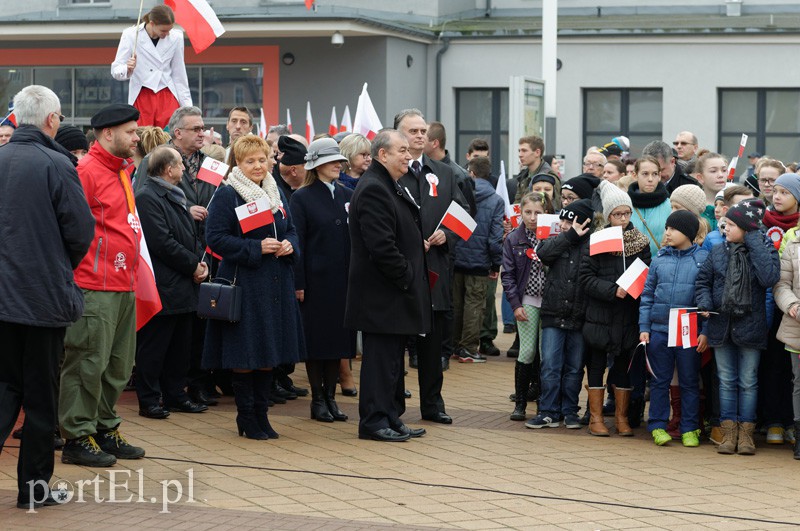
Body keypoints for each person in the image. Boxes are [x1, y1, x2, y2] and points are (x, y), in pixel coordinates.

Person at [0, 85, 93, 510]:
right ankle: (33, 490)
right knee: (40, 398)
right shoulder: (57, 163)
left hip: (6, 301)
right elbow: (80, 233)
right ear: (52, 120)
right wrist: (55, 266)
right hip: (40, 301)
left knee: (4, 389)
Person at [59, 103, 145, 467]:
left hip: (123, 283)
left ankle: (104, 426)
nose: (136, 137)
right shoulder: (87, 171)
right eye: (130, 131)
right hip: (94, 286)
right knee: (86, 363)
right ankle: (78, 435)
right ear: (108, 133)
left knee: (118, 365)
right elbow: (69, 228)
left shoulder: (121, 170)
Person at [203, 135, 305, 440]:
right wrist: (254, 248)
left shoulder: (275, 192)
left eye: (262, 159)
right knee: (246, 355)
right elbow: (215, 238)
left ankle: (262, 415)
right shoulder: (228, 194)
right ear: (238, 163)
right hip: (246, 284)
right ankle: (246, 417)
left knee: (268, 354)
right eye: (250, 161)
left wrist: (290, 245)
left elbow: (293, 230)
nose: (258, 166)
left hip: (276, 286)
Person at [345, 129, 431, 442]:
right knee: (380, 363)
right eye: (402, 150)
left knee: (393, 362)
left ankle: (391, 416)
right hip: (382, 295)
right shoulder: (373, 188)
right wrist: (407, 275)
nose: (409, 155)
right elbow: (381, 246)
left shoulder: (388, 184)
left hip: (393, 293)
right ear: (383, 155)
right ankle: (373, 421)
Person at [396, 109, 465, 425]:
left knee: (432, 344)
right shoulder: (391, 172)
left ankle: (433, 405)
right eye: (413, 131)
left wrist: (446, 235)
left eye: (423, 131)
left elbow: (464, 218)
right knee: (396, 342)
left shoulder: (445, 172)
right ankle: (394, 403)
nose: (420, 136)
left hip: (436, 270)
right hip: (400, 270)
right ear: (399, 135)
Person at [696, 199, 780, 455]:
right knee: (726, 380)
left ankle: (746, 434)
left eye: (732, 224)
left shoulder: (763, 250)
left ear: (746, 228)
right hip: (721, 323)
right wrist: (706, 303)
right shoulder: (718, 251)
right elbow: (703, 282)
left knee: (748, 381)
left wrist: (754, 240)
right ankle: (728, 433)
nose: (725, 228)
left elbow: (769, 278)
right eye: (725, 223)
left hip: (750, 326)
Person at [134, 146, 209, 419]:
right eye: (180, 164)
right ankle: (150, 399)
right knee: (154, 348)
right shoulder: (147, 197)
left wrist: (201, 263)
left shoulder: (175, 196)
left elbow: (190, 235)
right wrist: (192, 265)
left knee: (180, 348)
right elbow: (162, 242)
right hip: (164, 286)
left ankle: (176, 394)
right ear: (168, 169)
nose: (185, 169)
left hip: (183, 286)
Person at [289, 137, 355, 423]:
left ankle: (331, 397)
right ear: (317, 165)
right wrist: (299, 283)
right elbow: (298, 242)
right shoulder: (301, 197)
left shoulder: (345, 194)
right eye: (332, 161)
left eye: (339, 161)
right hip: (316, 283)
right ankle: (318, 399)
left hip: (343, 282)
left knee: (339, 342)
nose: (338, 166)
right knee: (318, 343)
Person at [580, 180, 651, 437]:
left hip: (627, 315)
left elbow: (646, 273)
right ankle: (596, 418)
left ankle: (621, 418)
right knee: (597, 365)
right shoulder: (598, 241)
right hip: (601, 314)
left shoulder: (640, 242)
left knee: (622, 367)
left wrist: (632, 288)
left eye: (626, 213)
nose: (622, 218)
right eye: (617, 214)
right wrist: (612, 290)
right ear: (608, 216)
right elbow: (586, 278)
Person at [639, 211, 709, 447]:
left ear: (687, 233)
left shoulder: (702, 259)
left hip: (688, 329)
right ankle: (658, 425)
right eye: (666, 227)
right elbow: (647, 295)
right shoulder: (659, 258)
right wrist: (644, 327)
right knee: (659, 380)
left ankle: (690, 428)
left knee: (689, 380)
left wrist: (705, 330)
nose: (667, 233)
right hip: (659, 329)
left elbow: (707, 299)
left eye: (673, 228)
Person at [526, 199, 594, 429]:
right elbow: (543, 253)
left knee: (574, 368)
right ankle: (548, 411)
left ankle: (569, 411)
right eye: (562, 219)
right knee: (550, 365)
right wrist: (570, 236)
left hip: (579, 316)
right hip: (553, 314)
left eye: (569, 220)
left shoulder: (594, 244)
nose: (563, 224)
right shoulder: (558, 240)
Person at [503, 192, 554, 422]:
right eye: (528, 212)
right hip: (528, 300)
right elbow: (508, 276)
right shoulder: (514, 239)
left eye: (538, 213)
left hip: (551, 302)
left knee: (547, 354)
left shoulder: (553, 236)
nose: (533, 218)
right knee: (527, 350)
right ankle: (521, 402)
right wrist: (515, 305)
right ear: (520, 212)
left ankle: (545, 401)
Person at [451, 156, 503, 366]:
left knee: (456, 304)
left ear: (470, 172)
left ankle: (455, 345)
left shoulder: (459, 193)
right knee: (475, 306)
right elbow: (495, 238)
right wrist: (495, 263)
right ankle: (469, 348)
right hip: (480, 262)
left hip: (456, 259)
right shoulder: (496, 200)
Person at [110, 5, 192, 128]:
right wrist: (127, 68)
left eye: (169, 30)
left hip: (167, 94)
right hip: (142, 94)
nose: (167, 34)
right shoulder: (131, 35)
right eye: (163, 31)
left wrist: (188, 109)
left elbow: (179, 74)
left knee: (170, 136)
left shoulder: (177, 37)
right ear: (152, 23)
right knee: (143, 138)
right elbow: (116, 70)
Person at [773, 223, 800, 459]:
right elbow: (782, 284)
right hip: (797, 326)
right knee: (799, 382)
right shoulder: (794, 245)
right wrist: (792, 305)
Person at [628, 156, 672, 257]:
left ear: (660, 176)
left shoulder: (670, 206)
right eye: (645, 174)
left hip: (660, 264)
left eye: (655, 174)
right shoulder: (625, 205)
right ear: (635, 175)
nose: (650, 179)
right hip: (631, 267)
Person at [513, 135, 559, 205]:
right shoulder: (523, 176)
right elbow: (517, 204)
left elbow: (554, 207)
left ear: (537, 152)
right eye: (519, 151)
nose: (520, 155)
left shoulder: (550, 177)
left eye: (524, 151)